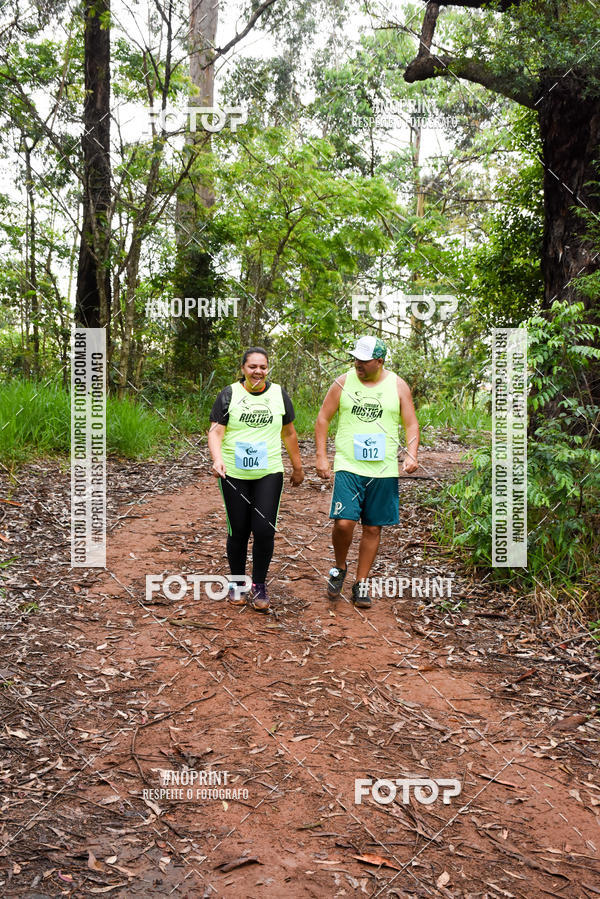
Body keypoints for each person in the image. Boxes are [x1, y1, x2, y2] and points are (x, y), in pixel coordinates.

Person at [315, 336, 419, 609]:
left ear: (380, 361)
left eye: (364, 360)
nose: (357, 363)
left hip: (382, 469)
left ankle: (361, 583)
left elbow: (411, 424)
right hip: (349, 465)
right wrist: (322, 457)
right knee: (344, 523)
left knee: (372, 527)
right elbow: (323, 418)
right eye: (356, 358)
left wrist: (411, 454)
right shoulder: (342, 382)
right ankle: (339, 567)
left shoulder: (397, 385)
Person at [208, 347, 304, 611]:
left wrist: (298, 467)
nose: (257, 372)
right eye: (252, 367)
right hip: (233, 473)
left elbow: (289, 432)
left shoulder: (278, 394)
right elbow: (215, 433)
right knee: (238, 530)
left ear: (268, 369)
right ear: (243, 369)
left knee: (263, 530)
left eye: (262, 367)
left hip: (269, 471)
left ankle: (259, 584)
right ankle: (237, 582)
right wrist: (217, 459)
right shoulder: (229, 394)